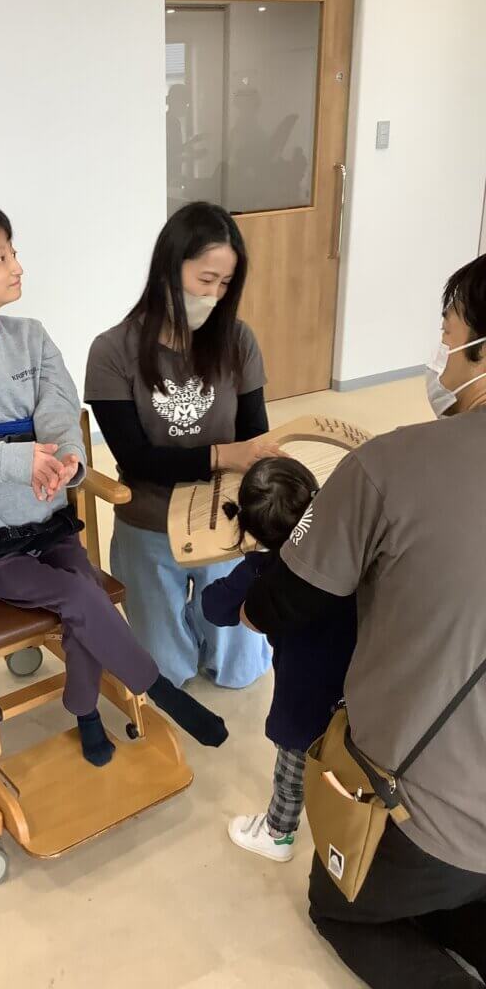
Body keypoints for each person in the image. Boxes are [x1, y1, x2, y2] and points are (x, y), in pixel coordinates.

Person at [0, 199, 228, 772]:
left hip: (47, 524)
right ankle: (155, 689)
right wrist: (18, 461)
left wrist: (67, 455)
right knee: (78, 597)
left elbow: (58, 406)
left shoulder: (31, 336)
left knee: (83, 590)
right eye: (0, 257)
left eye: (13, 253)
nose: (17, 266)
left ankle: (85, 709)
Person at [241, 254, 486, 988]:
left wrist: (247, 596)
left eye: (448, 330)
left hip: (428, 818)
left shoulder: (389, 467)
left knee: (340, 907)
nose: (440, 348)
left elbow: (283, 602)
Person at [84, 201, 278, 690]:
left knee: (240, 670)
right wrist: (221, 455)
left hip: (224, 516)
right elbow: (135, 459)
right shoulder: (112, 351)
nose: (214, 295)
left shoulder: (238, 341)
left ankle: (206, 623)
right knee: (164, 675)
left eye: (225, 284)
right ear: (168, 269)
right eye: (205, 279)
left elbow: (254, 433)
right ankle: (182, 624)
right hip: (150, 518)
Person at [202, 458, 356, 862]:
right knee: (354, 758)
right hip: (362, 679)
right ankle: (357, 828)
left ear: (250, 528)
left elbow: (213, 607)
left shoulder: (261, 569)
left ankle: (279, 834)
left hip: (303, 691)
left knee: (293, 765)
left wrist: (248, 573)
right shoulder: (349, 547)